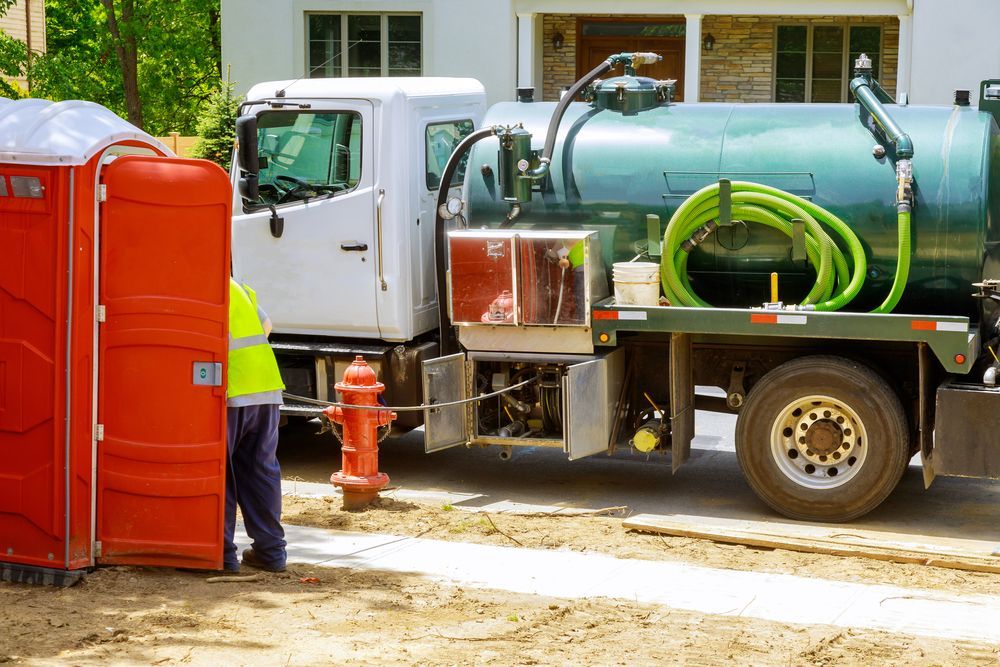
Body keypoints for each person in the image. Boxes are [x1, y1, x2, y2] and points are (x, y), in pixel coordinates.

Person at [225, 277, 287, 572]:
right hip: (265, 384)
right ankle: (271, 553)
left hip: (230, 388)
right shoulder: (236, 285)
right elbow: (266, 325)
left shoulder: (198, 284)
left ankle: (222, 554)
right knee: (261, 470)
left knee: (218, 473)